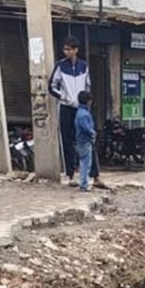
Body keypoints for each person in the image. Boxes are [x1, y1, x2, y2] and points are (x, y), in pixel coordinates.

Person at [49, 36, 105, 189]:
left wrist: (86, 102)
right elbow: (52, 86)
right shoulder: (60, 66)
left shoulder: (84, 67)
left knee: (88, 139)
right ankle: (71, 175)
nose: (66, 52)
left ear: (75, 50)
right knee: (68, 141)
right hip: (66, 107)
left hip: (81, 108)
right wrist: (64, 97)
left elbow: (88, 86)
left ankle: (96, 176)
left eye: (68, 49)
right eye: (64, 49)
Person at [74, 91, 96, 191]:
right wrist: (93, 133)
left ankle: (84, 183)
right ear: (88, 101)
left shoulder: (80, 112)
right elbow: (86, 128)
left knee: (84, 162)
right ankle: (84, 184)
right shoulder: (84, 114)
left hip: (82, 140)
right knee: (86, 163)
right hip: (84, 140)